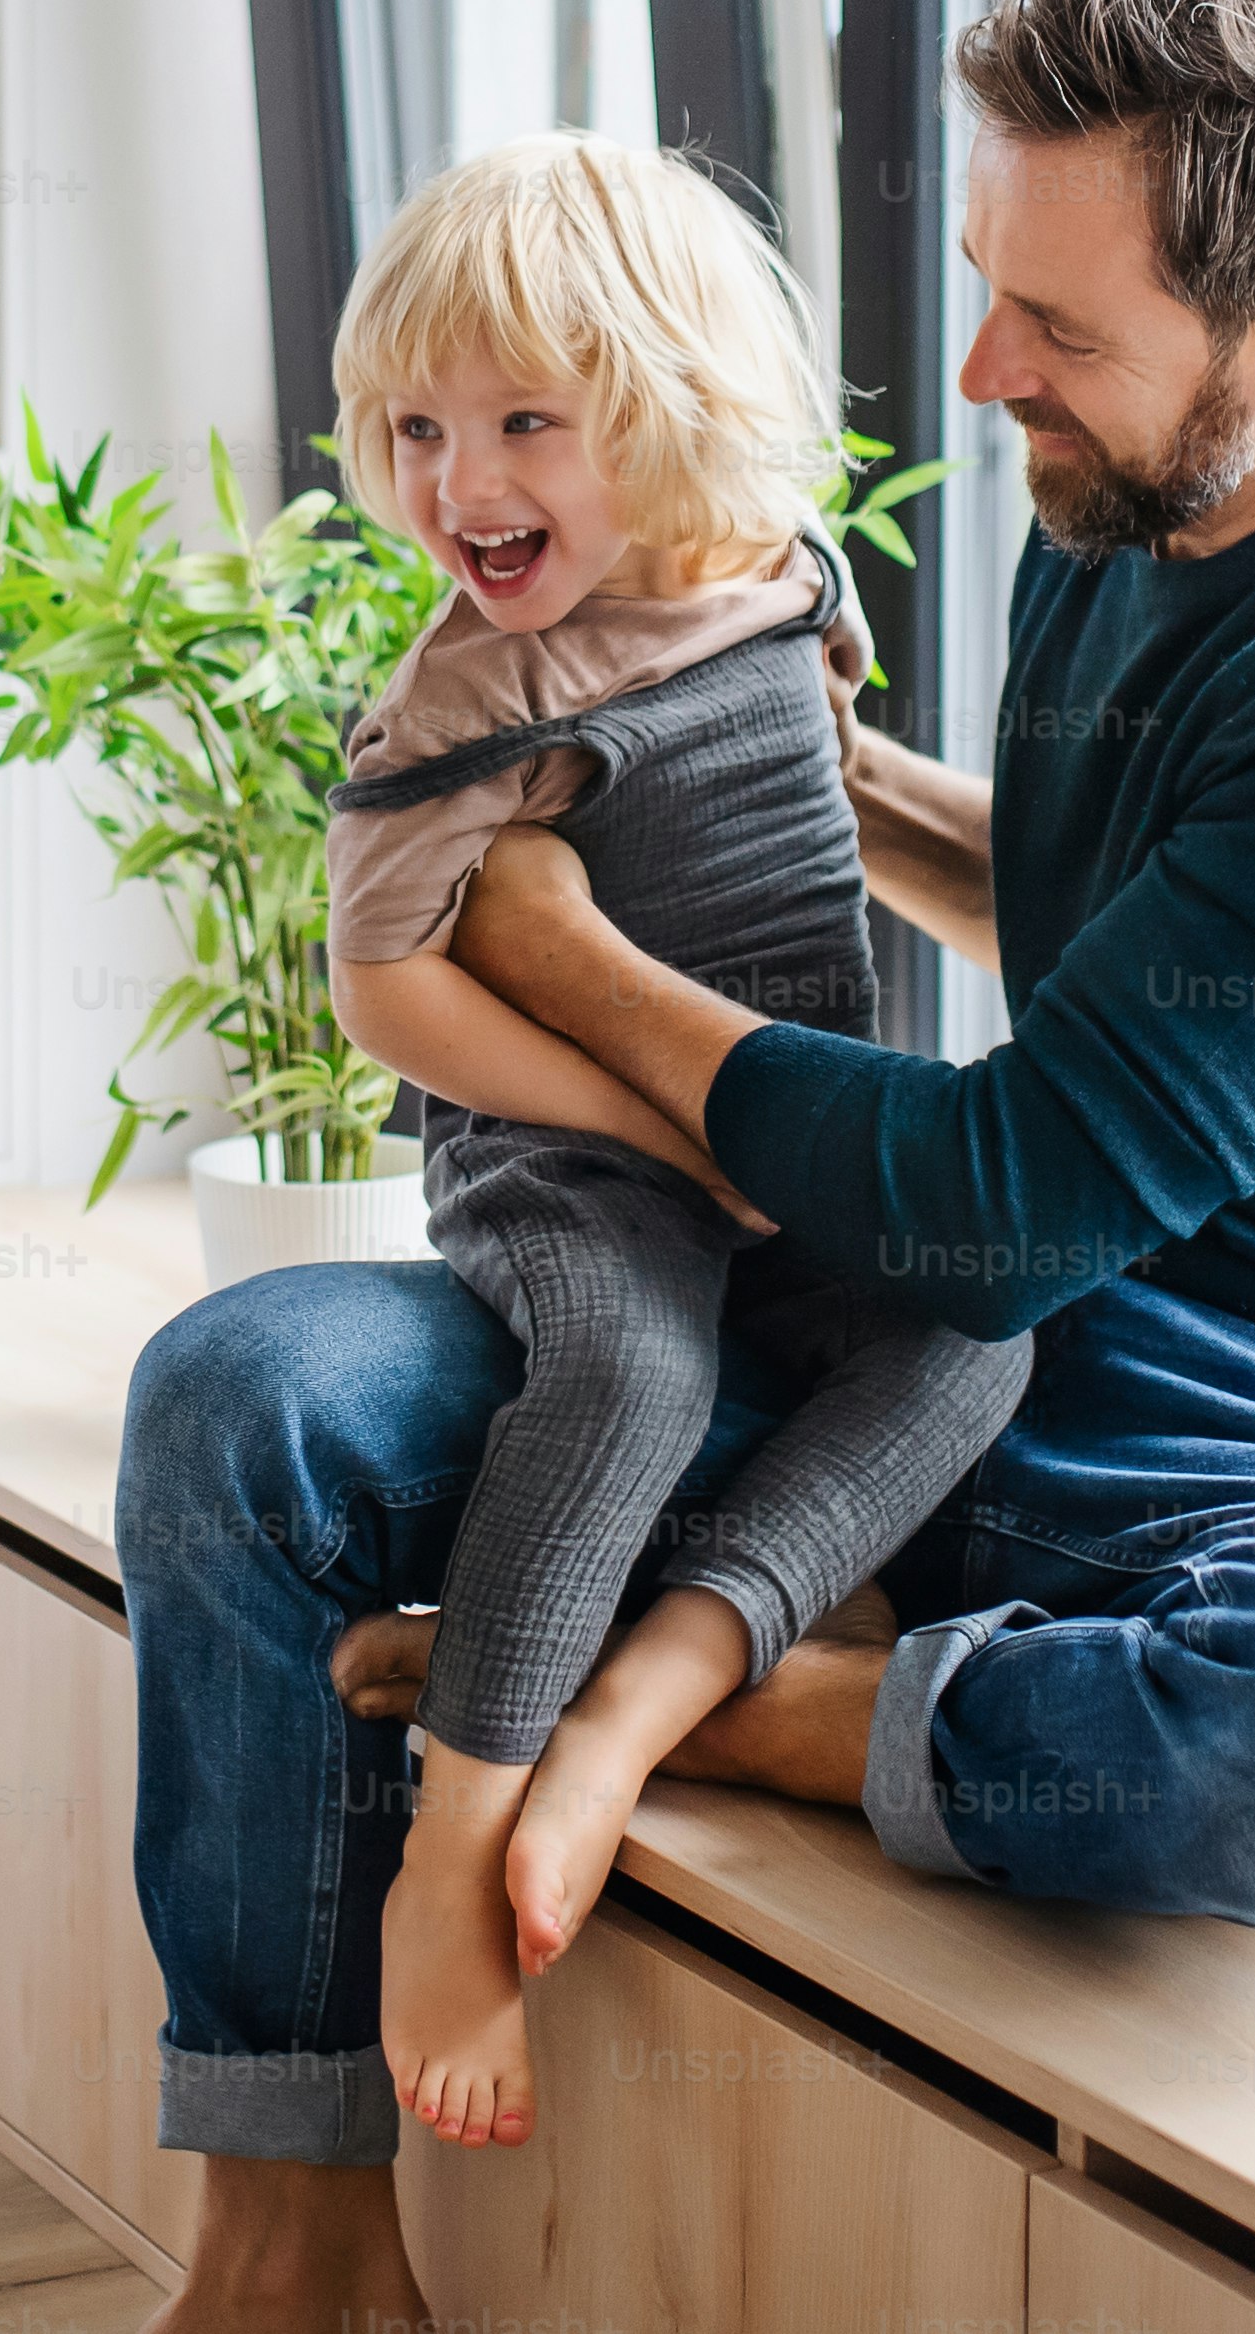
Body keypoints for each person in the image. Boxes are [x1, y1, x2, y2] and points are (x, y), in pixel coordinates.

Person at [120, 0, 1255, 2334]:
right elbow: (1058, 931)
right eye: (988, 283)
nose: (981, 366)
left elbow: (1004, 1202)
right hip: (930, 1300)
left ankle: (786, 1697)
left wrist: (570, 944)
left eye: (1061, 332)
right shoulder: (1128, 492)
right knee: (243, 1405)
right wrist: (779, 781)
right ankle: (286, 2227)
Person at [314, 132, 1032, 2153]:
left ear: (675, 409)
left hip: (775, 1126)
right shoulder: (464, 692)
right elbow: (386, 991)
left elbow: (833, 822)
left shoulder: (783, 581)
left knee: (985, 1324)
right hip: (568, 1159)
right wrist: (647, 1121)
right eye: (414, 428)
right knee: (631, 1366)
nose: (461, 485)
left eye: (524, 422)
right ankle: (453, 1853)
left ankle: (651, 1697)